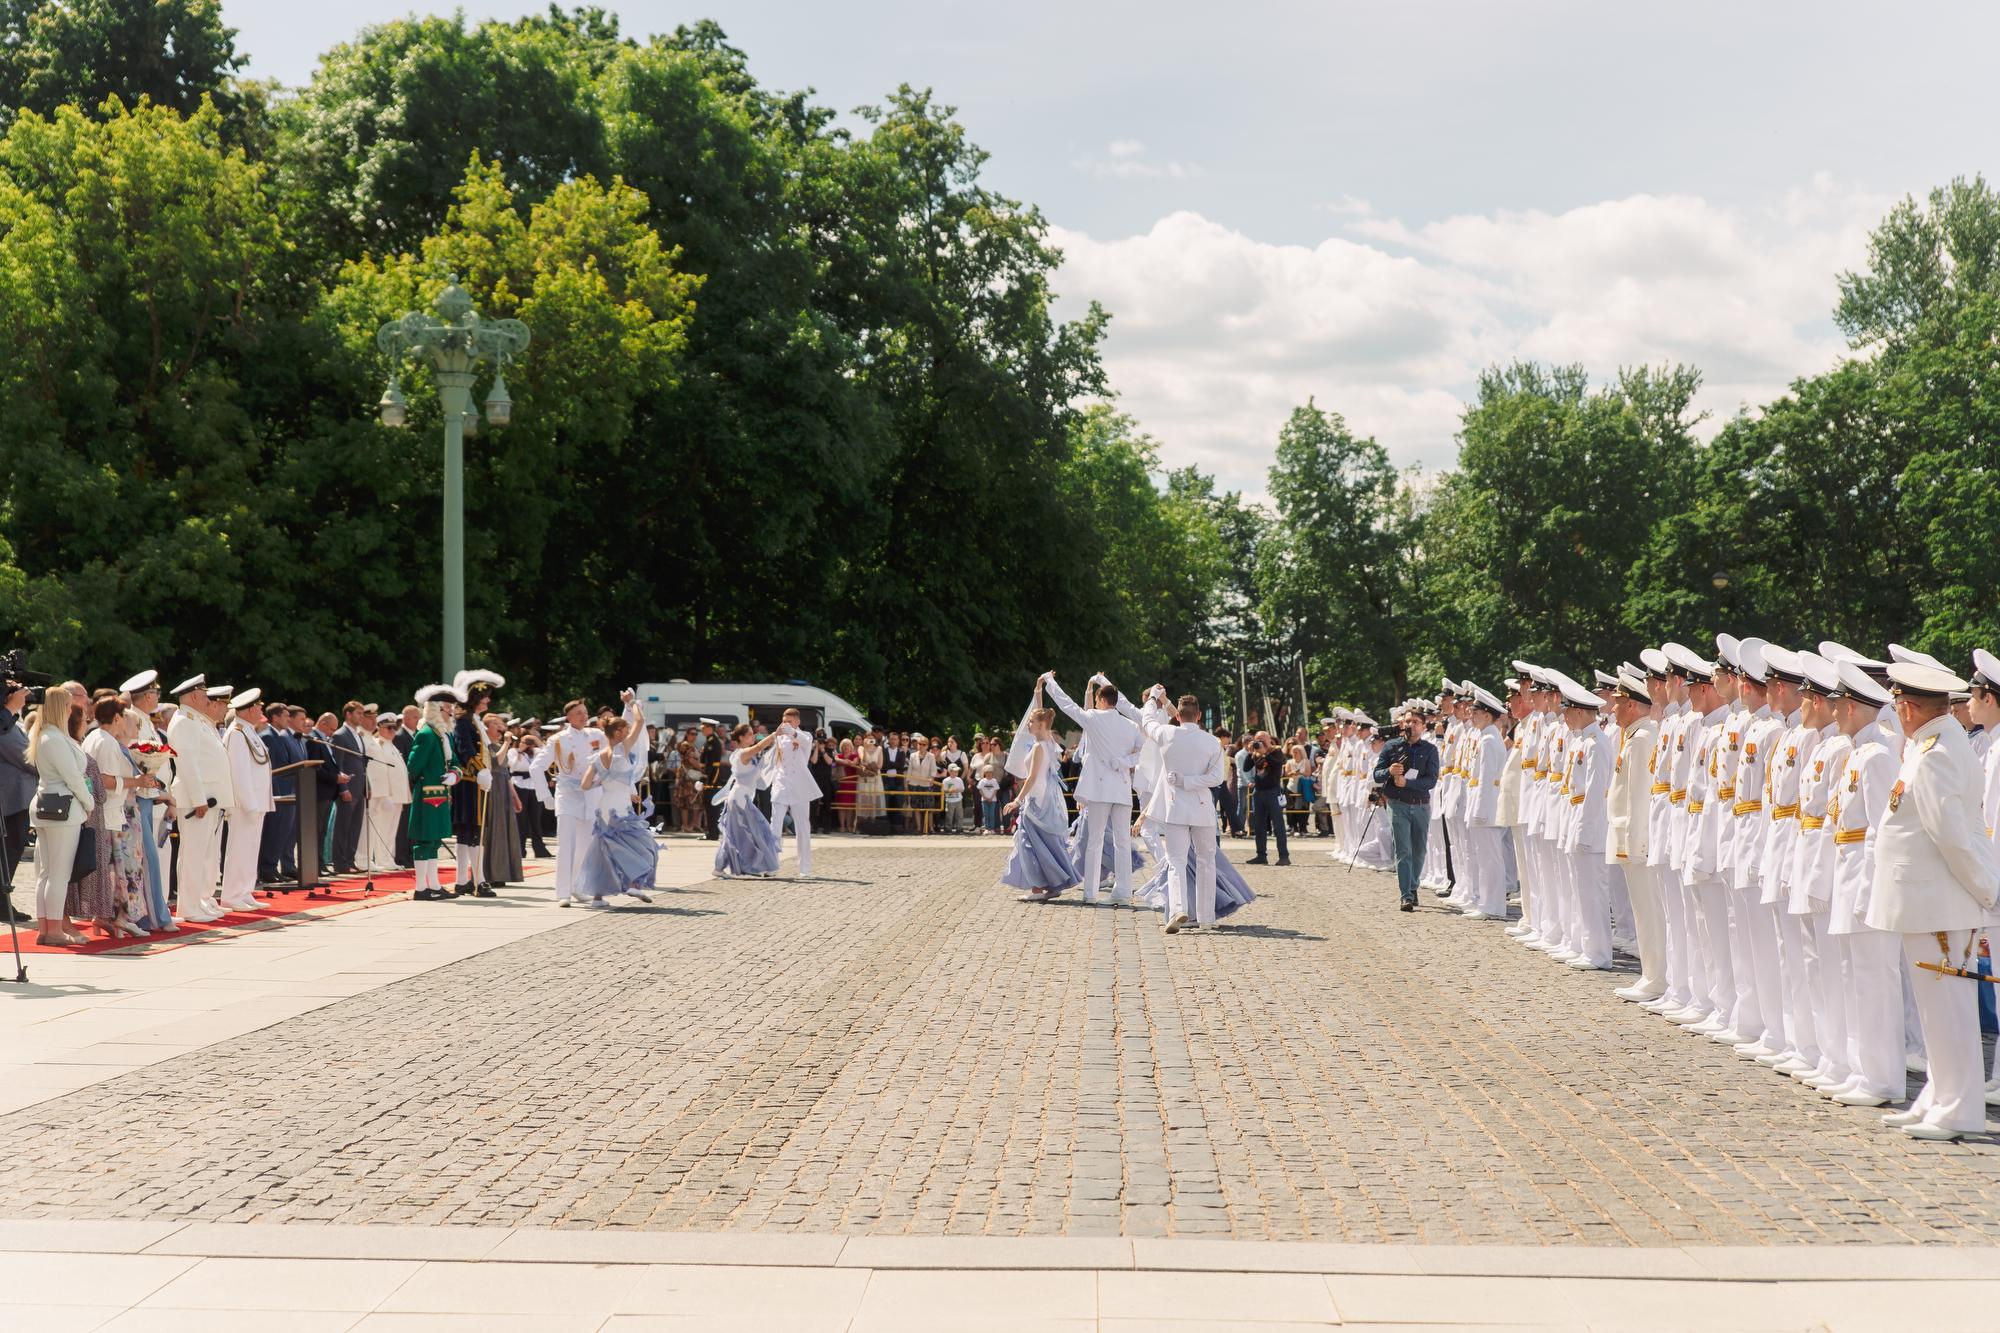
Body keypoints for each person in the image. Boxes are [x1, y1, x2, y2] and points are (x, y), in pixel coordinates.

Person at [1870, 661, 1999, 1141]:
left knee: (1949, 1011)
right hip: (1928, 901)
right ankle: (1939, 1096)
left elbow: (1953, 839)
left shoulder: (1938, 753)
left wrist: (1986, 892)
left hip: (1942, 902)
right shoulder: (1930, 744)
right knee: (1935, 1010)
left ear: (1906, 707)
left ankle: (1958, 1108)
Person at [1043, 672, 1143, 905]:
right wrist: (1124, 762)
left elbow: (1066, 704)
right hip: (1121, 787)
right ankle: (1124, 891)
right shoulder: (1131, 725)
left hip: (1099, 789)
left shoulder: (1093, 718)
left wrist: (1051, 682)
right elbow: (1141, 752)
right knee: (1122, 842)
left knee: (1095, 841)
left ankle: (1090, 892)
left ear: (1100, 699)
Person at [1134, 687, 1229, 932]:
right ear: (1198, 716)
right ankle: (1206, 918)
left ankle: (1178, 909)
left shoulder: (1167, 734)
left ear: (1178, 716)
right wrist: (1191, 780)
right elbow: (1217, 778)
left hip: (1175, 807)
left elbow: (1147, 720)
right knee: (1206, 860)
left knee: (1176, 861)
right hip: (1201, 808)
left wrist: (1155, 699)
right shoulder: (1212, 742)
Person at [577, 690, 657, 905]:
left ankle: (597, 896)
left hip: (605, 806)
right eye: (625, 729)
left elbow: (584, 785)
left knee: (603, 850)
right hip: (621, 806)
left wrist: (602, 781)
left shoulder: (597, 757)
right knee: (642, 845)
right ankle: (634, 885)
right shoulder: (623, 747)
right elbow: (640, 722)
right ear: (619, 733)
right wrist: (631, 703)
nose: (629, 731)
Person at [27, 689, 91, 946]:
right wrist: (89, 802)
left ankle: (46, 927)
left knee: (47, 873)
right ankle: (52, 929)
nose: (70, 709)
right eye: (67, 704)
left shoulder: (46, 735)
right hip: (63, 808)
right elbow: (73, 776)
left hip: (48, 806)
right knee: (58, 874)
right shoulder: (54, 737)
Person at [1001, 684, 1075, 901]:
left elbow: (1032, 777)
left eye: (1032, 721)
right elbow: (1043, 715)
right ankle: (1049, 884)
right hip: (1045, 798)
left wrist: (1017, 800)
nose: (1028, 724)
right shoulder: (1049, 742)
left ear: (1042, 724)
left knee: (1029, 842)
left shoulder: (1039, 747)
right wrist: (1038, 692)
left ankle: (1039, 887)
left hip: (1036, 800)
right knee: (1041, 843)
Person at [167, 674, 230, 923]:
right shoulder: (184, 722)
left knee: (202, 853)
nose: (208, 698)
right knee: (193, 853)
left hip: (208, 796)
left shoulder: (197, 721)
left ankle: (199, 901)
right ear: (194, 696)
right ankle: (189, 906)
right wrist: (198, 798)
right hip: (199, 799)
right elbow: (188, 764)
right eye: (204, 694)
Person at [1375, 704, 1439, 911]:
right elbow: (1376, 774)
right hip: (1398, 804)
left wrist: (1408, 783)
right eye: (1408, 721)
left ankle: (1413, 886)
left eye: (1415, 722)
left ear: (1423, 726)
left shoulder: (1430, 750)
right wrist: (1388, 772)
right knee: (1403, 850)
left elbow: (1431, 780)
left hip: (1420, 804)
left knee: (1419, 850)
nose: (1410, 725)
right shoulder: (1391, 746)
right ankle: (1406, 895)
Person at [219, 689, 274, 913]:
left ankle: (245, 891)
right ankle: (232, 895)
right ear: (250, 709)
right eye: (258, 707)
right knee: (240, 849)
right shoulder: (237, 733)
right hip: (245, 803)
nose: (261, 710)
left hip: (257, 800)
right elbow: (239, 772)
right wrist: (249, 803)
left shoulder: (248, 731)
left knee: (251, 848)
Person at [405, 687, 459, 901]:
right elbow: (412, 767)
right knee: (424, 841)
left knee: (435, 841)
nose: (450, 713)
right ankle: (421, 888)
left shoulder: (443, 735)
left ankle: (434, 885)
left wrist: (454, 775)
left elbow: (454, 762)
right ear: (437, 709)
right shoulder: (427, 734)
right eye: (447, 709)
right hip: (427, 794)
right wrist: (431, 777)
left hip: (441, 793)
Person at [713, 723, 781, 877]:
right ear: (742, 738)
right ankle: (766, 866)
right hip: (739, 799)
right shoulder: (742, 753)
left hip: (741, 798)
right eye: (750, 734)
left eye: (753, 734)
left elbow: (760, 756)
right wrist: (774, 735)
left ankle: (719, 868)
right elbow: (758, 748)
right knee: (756, 831)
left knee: (735, 834)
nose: (753, 736)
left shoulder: (744, 754)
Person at [769, 707, 823, 877]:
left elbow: (805, 742)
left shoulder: (805, 735)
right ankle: (772, 864)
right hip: (781, 783)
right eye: (784, 721)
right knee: (775, 824)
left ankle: (804, 867)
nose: (785, 725)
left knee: (802, 827)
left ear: (797, 722)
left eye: (789, 722)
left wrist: (792, 732)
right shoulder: (779, 738)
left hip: (799, 786)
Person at [0, 680, 38, 925]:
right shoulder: (5, 725)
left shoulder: (11, 722)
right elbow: (27, 758)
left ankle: (3, 901)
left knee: (11, 852)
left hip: (16, 800)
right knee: (9, 851)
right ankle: (2, 903)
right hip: (10, 801)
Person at [259, 703, 305, 884]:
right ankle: (266, 869)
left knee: (281, 834)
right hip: (278, 793)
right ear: (275, 717)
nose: (288, 719)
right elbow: (275, 769)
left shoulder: (281, 737)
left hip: (288, 792)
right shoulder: (268, 736)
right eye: (285, 716)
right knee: (273, 833)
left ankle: (272, 867)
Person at [479, 711, 524, 888]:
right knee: (495, 828)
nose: (501, 727)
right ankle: (492, 872)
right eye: (496, 724)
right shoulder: (487, 746)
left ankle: (505, 871)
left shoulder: (499, 745)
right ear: (487, 727)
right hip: (493, 789)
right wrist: (506, 742)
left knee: (506, 829)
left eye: (501, 724)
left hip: (504, 788)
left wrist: (515, 796)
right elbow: (496, 763)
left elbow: (506, 774)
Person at [367, 712, 413, 877]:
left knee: (392, 829)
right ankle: (381, 859)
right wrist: (385, 794)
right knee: (383, 827)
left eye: (395, 728)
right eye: (389, 728)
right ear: (379, 728)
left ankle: (388, 858)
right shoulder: (378, 745)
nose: (392, 731)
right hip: (388, 795)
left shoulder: (392, 745)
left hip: (398, 795)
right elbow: (380, 773)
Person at [328, 700, 372, 873]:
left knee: (355, 826)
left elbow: (361, 763)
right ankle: (340, 862)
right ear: (348, 714)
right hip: (347, 787)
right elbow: (338, 764)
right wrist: (343, 788)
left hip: (359, 787)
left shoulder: (358, 734)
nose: (361, 717)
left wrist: (366, 785)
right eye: (358, 714)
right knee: (343, 826)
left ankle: (350, 859)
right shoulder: (340, 735)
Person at [1245, 733, 1290, 866]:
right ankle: (1261, 855)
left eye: (1264, 740)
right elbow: (1246, 767)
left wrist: (1265, 752)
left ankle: (1284, 856)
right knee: (1258, 825)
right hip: (1258, 792)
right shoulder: (1255, 754)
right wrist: (1250, 752)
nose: (1261, 742)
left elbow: (1278, 764)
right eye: (1258, 740)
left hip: (1272, 791)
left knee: (1278, 825)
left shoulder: (1276, 751)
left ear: (1269, 740)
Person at [856, 732, 886, 824]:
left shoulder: (879, 749)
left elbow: (880, 765)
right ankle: (862, 823)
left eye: (872, 738)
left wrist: (869, 766)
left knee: (873, 799)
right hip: (864, 778)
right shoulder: (861, 748)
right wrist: (865, 747)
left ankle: (872, 821)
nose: (870, 740)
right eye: (868, 738)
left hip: (875, 778)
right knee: (864, 798)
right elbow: (862, 760)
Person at [942, 765, 965, 833]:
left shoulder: (959, 779)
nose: (956, 773)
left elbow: (963, 789)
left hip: (958, 799)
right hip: (949, 800)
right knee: (949, 814)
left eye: (957, 772)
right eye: (954, 771)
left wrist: (958, 790)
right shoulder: (946, 780)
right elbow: (943, 790)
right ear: (950, 772)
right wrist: (949, 791)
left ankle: (959, 827)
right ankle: (948, 827)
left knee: (959, 814)